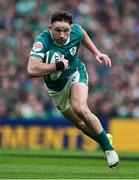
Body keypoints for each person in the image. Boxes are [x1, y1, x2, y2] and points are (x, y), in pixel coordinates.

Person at [27, 11, 119, 167]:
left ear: (71, 28)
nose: (62, 35)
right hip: (56, 89)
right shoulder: (42, 41)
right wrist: (57, 66)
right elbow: (31, 69)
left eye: (66, 30)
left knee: (80, 109)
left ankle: (108, 150)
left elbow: (82, 33)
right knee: (81, 124)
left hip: (75, 73)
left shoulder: (76, 30)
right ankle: (104, 137)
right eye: (58, 30)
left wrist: (97, 52)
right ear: (50, 28)